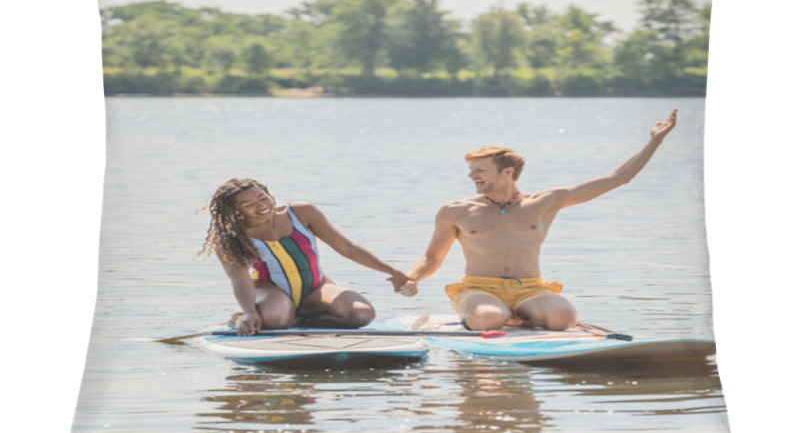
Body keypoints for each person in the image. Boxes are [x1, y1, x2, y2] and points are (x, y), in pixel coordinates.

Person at [400, 110, 678, 331]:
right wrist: (412, 278)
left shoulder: (546, 202)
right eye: (471, 171)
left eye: (480, 171)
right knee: (488, 318)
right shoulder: (456, 210)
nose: (472, 176)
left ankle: (518, 317)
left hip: (530, 288)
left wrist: (655, 141)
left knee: (562, 318)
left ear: (507, 172)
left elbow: (617, 179)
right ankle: (487, 318)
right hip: (479, 288)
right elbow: (432, 258)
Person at [202, 178, 412, 335]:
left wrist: (393, 271)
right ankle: (251, 315)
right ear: (234, 211)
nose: (261, 206)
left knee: (362, 314)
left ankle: (297, 317)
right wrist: (249, 311)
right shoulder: (230, 237)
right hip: (270, 289)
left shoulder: (302, 213)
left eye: (262, 197)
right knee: (275, 320)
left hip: (317, 287)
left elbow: (347, 248)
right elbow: (240, 279)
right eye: (248, 205)